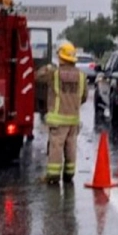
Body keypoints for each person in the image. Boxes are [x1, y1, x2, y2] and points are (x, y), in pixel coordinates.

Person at [35, 41, 88, 184]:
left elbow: (37, 77)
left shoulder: (54, 73)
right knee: (71, 146)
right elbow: (84, 97)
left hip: (58, 120)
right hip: (73, 119)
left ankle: (53, 175)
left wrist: (47, 67)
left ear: (61, 57)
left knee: (56, 147)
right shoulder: (81, 76)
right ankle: (69, 174)